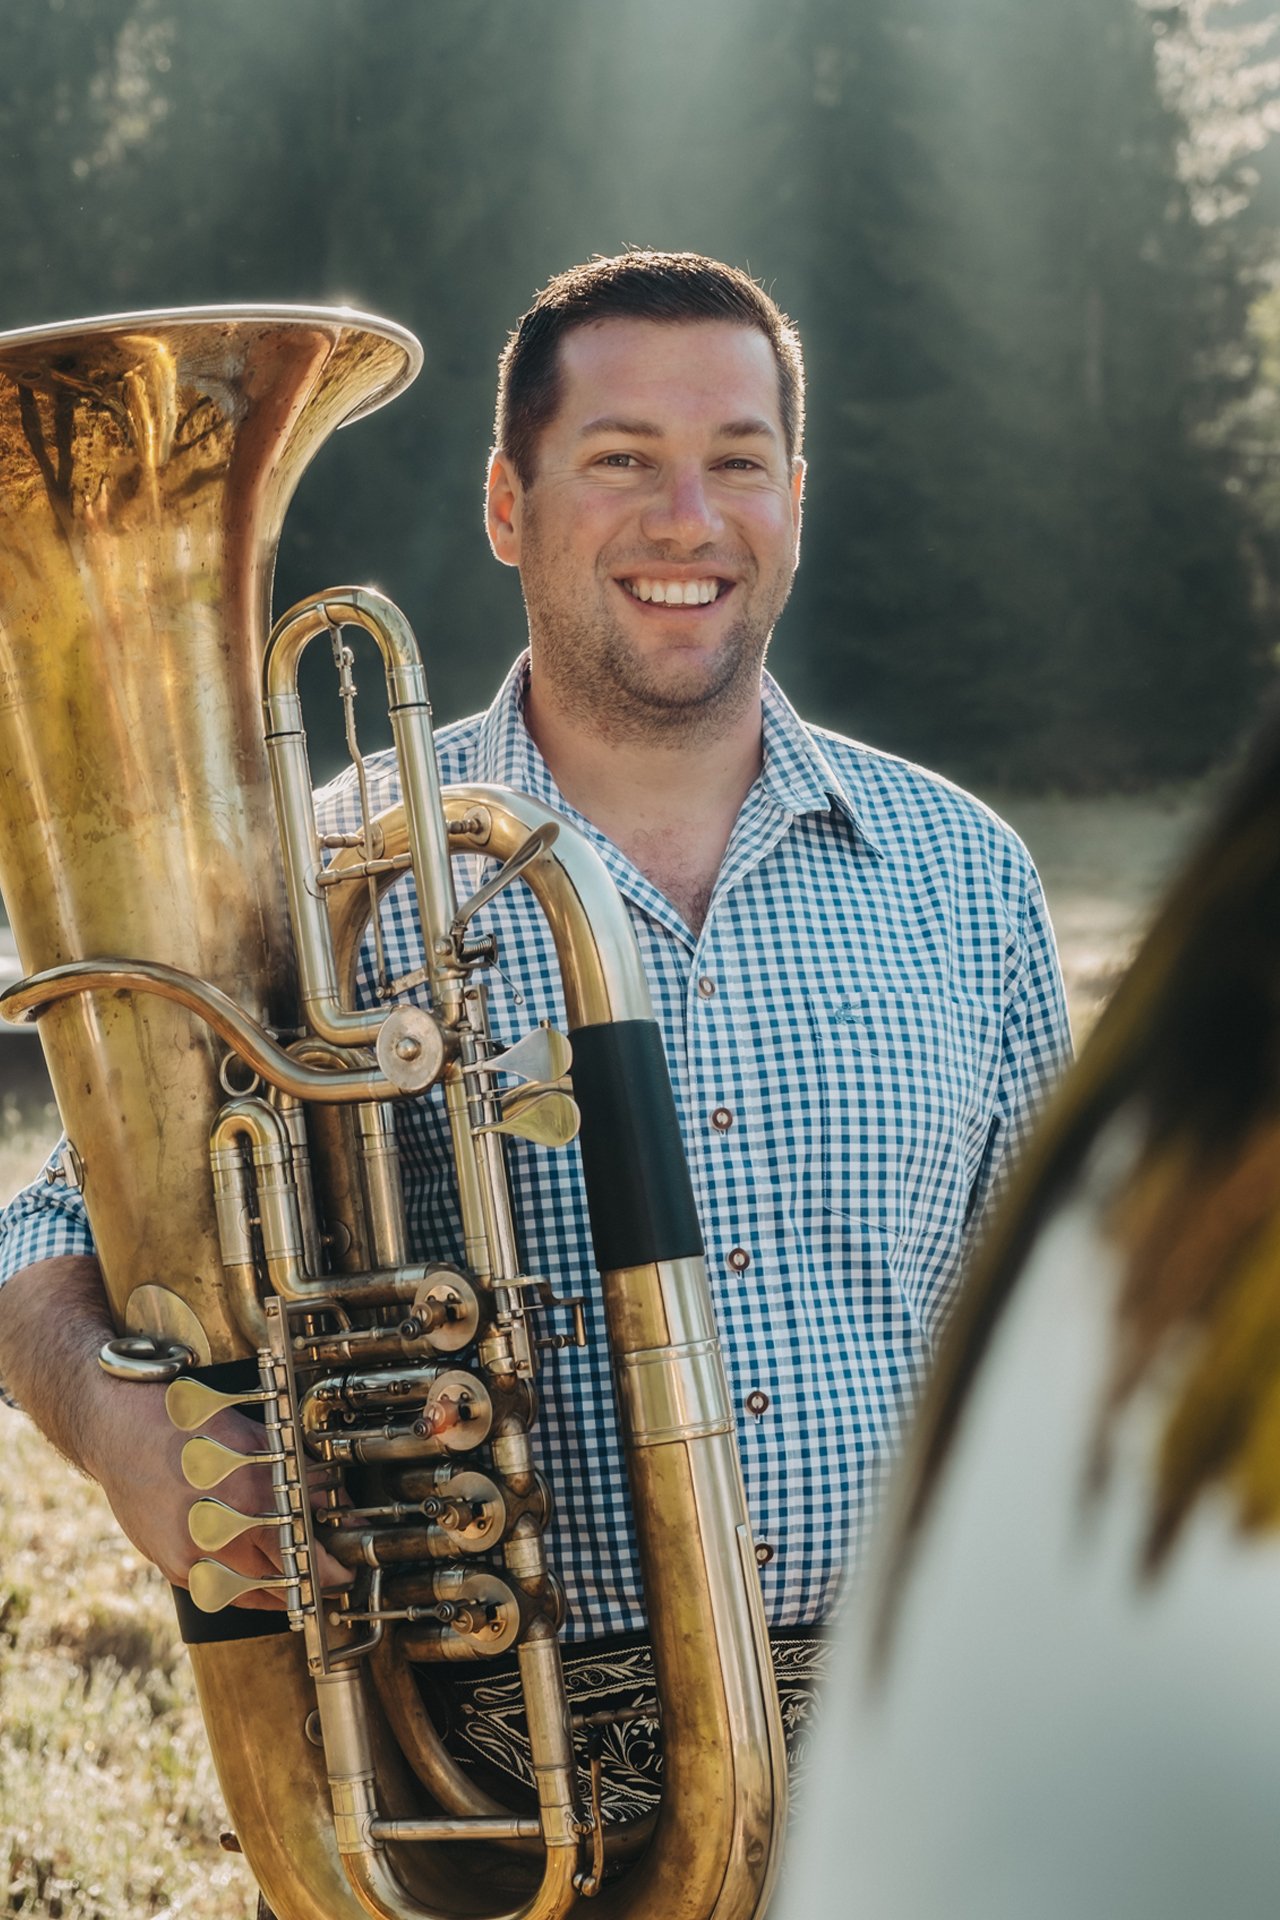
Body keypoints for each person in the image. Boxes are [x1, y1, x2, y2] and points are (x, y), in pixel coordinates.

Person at [0, 251, 1071, 1812]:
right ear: (509, 505)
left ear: (795, 496)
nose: (686, 521)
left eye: (737, 464)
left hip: (932, 1745)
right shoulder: (323, 878)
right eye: (621, 459)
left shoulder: (965, 872)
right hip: (509, 1780)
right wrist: (115, 1420)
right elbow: (44, 1225)